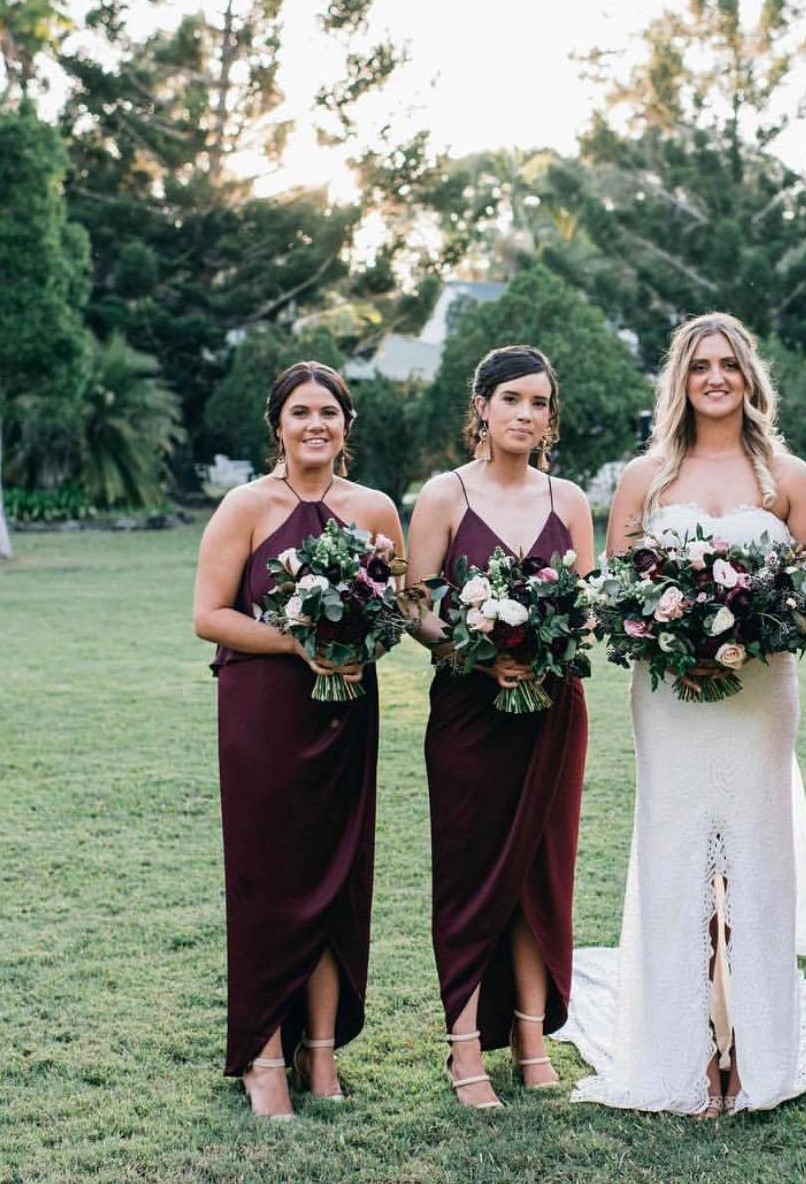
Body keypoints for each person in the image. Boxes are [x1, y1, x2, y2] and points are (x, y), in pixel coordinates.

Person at [557, 311, 806, 1117]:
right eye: (699, 365)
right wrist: (675, 641)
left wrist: (753, 633)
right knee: (678, 860)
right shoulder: (646, 477)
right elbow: (618, 600)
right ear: (680, 379)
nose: (714, 378)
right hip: (670, 700)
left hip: (760, 696)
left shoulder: (786, 478)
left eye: (728, 364)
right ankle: (690, 1049)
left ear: (748, 376)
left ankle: (750, 1049)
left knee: (748, 867)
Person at [193, 361, 404, 1119]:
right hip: (265, 713)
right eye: (300, 412)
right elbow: (209, 615)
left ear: (347, 424)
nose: (315, 424)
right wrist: (293, 642)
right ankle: (263, 1055)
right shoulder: (245, 506)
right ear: (277, 425)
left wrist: (359, 641)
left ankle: (320, 1051)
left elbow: (394, 615)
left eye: (329, 412)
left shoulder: (375, 507)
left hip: (347, 710)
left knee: (337, 877)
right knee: (270, 880)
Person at [406, 344, 594, 1110]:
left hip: (552, 710)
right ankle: (461, 1048)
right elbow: (415, 603)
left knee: (539, 876)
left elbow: (583, 603)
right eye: (511, 399)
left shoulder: (571, 499)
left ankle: (530, 1039)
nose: (526, 414)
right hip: (468, 712)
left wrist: (552, 643)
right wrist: (473, 652)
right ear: (480, 405)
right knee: (471, 874)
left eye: (539, 403)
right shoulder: (443, 496)